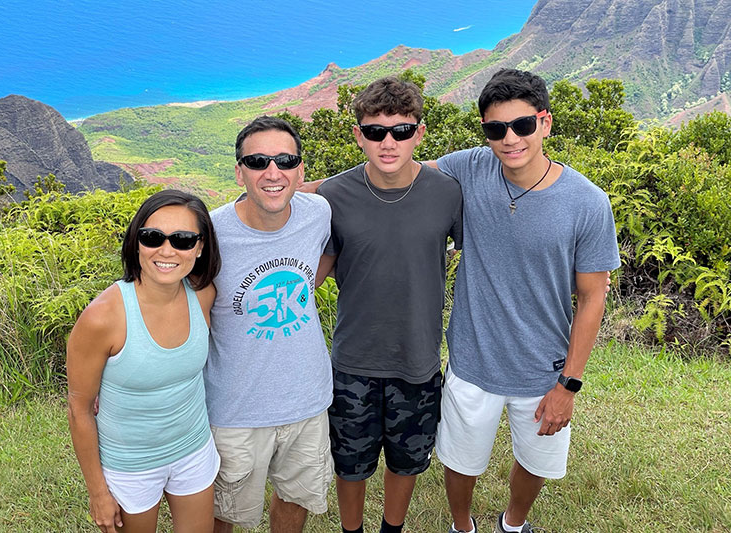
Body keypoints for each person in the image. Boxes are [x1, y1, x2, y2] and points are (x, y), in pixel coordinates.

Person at [428, 69, 621, 533]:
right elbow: (395, 172)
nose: (510, 139)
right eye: (496, 129)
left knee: (537, 461)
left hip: (544, 367)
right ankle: (462, 527)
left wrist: (568, 385)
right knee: (460, 459)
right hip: (473, 359)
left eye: (522, 125)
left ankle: (513, 524)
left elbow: (593, 298)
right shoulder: (470, 167)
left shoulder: (587, 202)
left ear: (545, 122)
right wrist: (304, 191)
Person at [314, 76, 463, 533]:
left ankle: (391, 530)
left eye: (401, 130)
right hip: (353, 359)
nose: (388, 142)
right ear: (359, 135)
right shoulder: (332, 196)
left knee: (408, 459)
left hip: (416, 359)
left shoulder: (447, 193)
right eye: (375, 131)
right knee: (350, 461)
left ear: (419, 132)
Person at [205, 115, 334, 533]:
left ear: (300, 168)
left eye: (285, 160)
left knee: (295, 498)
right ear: (239, 170)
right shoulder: (211, 233)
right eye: (258, 161)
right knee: (225, 512)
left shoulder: (318, 213)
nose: (272, 171)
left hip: (308, 398)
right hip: (235, 409)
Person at [67, 189, 222, 533]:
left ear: (199, 248)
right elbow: (79, 408)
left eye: (182, 240)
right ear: (137, 243)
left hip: (193, 448)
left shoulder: (204, 296)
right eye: (153, 237)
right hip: (130, 465)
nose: (167, 251)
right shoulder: (103, 318)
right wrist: (98, 492)